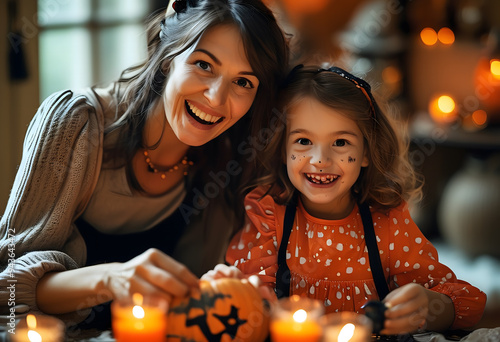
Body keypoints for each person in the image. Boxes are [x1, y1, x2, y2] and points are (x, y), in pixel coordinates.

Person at [0, 0, 289, 328]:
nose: (216, 98)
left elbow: (192, 307)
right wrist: (111, 278)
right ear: (168, 58)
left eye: (243, 82)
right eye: (204, 65)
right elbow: (5, 287)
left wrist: (237, 292)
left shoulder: (227, 161)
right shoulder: (75, 122)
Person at [225, 64, 486, 335]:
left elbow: (466, 303)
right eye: (303, 141)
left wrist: (427, 306)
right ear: (281, 149)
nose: (320, 160)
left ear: (366, 152)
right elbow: (248, 300)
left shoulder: (387, 223)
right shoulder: (267, 215)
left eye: (340, 143)